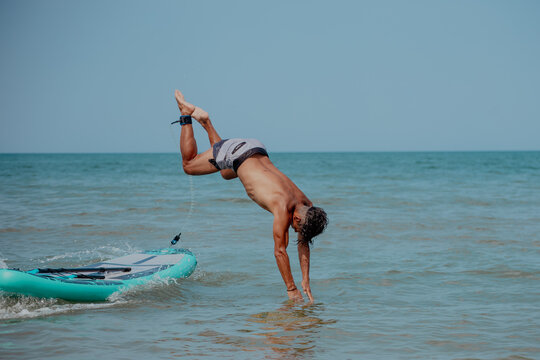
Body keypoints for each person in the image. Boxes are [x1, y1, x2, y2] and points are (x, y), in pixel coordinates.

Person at [174, 90, 328, 302]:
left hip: (255, 149)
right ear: (298, 218)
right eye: (296, 228)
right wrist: (292, 290)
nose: (294, 231)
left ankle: (206, 122)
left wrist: (306, 280)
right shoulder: (283, 208)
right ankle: (185, 114)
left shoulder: (306, 205)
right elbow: (279, 252)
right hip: (237, 152)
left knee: (226, 173)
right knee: (189, 165)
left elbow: (304, 242)